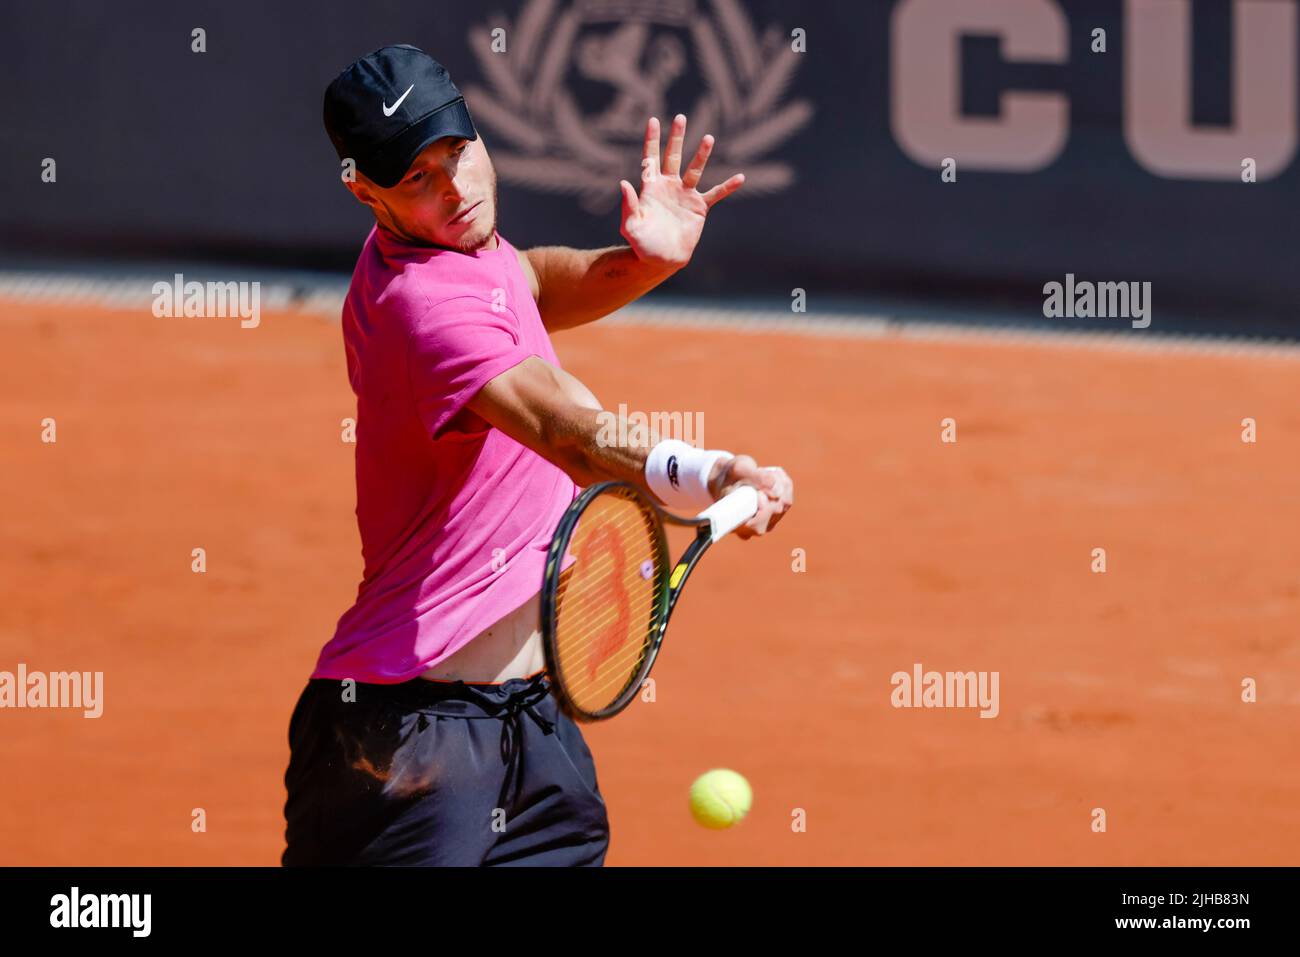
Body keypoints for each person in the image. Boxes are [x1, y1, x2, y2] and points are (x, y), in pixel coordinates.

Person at [282, 44, 794, 866]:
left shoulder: (452, 247)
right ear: (362, 188)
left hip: (537, 732)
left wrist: (641, 263)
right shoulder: (421, 308)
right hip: (407, 744)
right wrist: (710, 472)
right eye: (418, 177)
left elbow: (526, 279)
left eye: (460, 152)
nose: (455, 187)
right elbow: (572, 434)